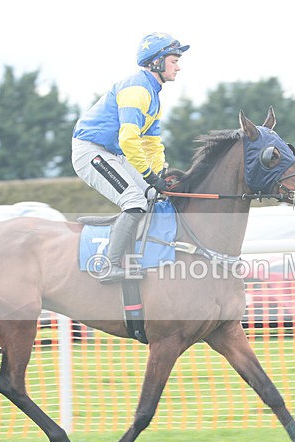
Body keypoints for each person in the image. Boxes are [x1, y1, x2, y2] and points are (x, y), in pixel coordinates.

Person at [72, 32, 189, 283]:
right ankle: (110, 266)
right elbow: (128, 139)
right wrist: (148, 174)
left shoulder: (154, 94)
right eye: (173, 60)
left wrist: (158, 175)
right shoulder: (137, 89)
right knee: (135, 201)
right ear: (156, 62)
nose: (178, 66)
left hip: (111, 153)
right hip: (91, 151)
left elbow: (151, 142)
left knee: (152, 194)